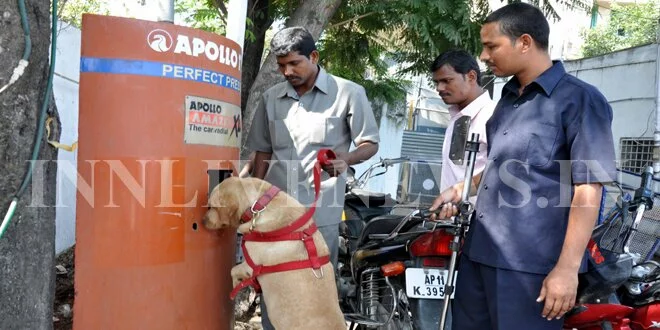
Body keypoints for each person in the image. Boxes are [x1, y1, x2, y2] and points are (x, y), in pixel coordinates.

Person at [430, 3, 617, 330]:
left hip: (529, 269)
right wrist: (460, 190)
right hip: (480, 255)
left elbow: (589, 188)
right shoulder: (507, 98)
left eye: (491, 46)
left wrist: (567, 270)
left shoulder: (580, 101)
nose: (484, 56)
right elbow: (504, 167)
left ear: (525, 42)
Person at [247, 26, 380, 330]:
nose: (287, 71)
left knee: (315, 294)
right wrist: (254, 202)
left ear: (314, 56)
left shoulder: (348, 93)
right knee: (273, 289)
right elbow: (262, 153)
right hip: (274, 217)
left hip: (320, 218)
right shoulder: (271, 98)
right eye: (281, 66)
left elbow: (369, 143)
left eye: (295, 63)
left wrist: (347, 159)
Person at [431, 49, 495, 195]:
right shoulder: (456, 116)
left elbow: (500, 172)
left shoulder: (493, 116)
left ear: (471, 77)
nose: (439, 88)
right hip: (450, 215)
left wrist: (459, 194)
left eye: (447, 81)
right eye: (437, 82)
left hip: (479, 215)